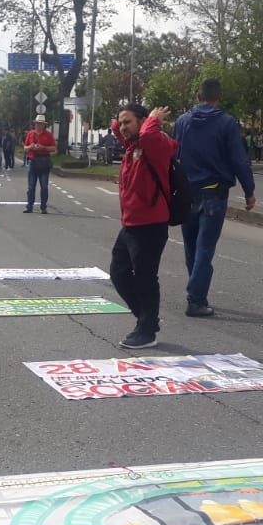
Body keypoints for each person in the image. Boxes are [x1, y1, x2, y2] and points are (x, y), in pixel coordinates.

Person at [173, 78, 257, 317]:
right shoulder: (227, 123)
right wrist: (249, 191)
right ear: (218, 97)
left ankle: (197, 294)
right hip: (214, 193)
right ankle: (196, 299)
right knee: (205, 248)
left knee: (191, 247)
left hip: (186, 192)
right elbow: (239, 159)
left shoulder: (182, 122)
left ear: (198, 97)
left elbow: (174, 156)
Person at [109, 104, 176, 349]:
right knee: (118, 273)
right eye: (121, 123)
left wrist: (153, 119)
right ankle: (147, 319)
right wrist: (123, 121)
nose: (123, 127)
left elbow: (147, 134)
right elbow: (117, 128)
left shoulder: (155, 145)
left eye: (129, 122)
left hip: (150, 224)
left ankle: (146, 330)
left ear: (143, 122)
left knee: (146, 278)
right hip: (130, 224)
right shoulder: (133, 147)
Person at [22, 115, 56, 213]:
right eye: (37, 124)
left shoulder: (48, 135)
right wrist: (30, 147)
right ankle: (29, 206)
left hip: (44, 162)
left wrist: (43, 147)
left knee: (44, 186)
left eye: (40, 124)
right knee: (31, 186)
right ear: (35, 124)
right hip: (33, 162)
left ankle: (43, 207)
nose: (38, 126)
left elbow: (53, 148)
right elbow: (25, 147)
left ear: (43, 125)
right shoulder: (30, 134)